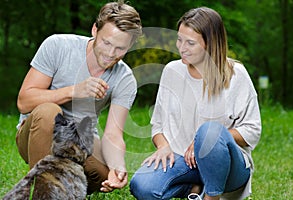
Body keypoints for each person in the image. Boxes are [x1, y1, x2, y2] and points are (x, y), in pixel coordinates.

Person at [130, 7, 261, 200]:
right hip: (183, 161)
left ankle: (211, 195)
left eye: (190, 43)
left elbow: (252, 129)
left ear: (210, 44)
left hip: (228, 168)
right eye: (179, 40)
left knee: (209, 132)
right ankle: (195, 188)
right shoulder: (171, 71)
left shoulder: (236, 74)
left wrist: (204, 141)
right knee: (142, 185)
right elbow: (157, 125)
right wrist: (163, 146)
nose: (181, 48)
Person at [15, 0, 142, 195]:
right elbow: (24, 102)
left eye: (120, 49)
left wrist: (118, 166)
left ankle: (64, 187)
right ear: (94, 30)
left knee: (105, 174)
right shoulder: (58, 45)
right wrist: (74, 91)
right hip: (36, 135)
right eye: (106, 42)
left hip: (80, 142)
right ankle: (45, 193)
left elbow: (113, 134)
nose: (110, 53)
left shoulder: (125, 78)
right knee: (49, 111)